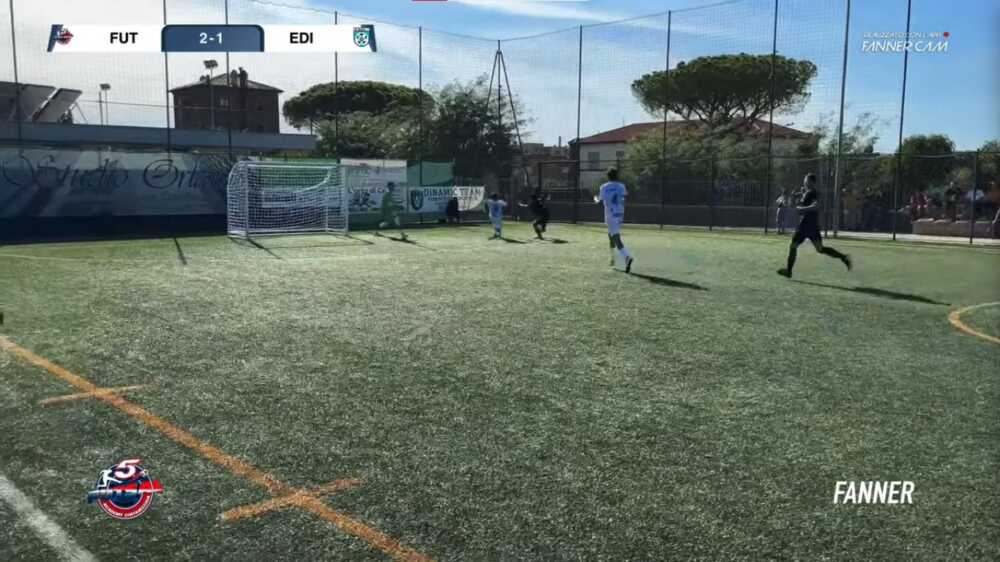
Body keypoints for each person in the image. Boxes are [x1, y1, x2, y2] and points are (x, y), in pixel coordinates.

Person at [778, 173, 852, 279]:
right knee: (820, 249)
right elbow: (797, 202)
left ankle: (789, 271)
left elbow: (817, 206)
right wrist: (795, 196)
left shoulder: (814, 193)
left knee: (793, 246)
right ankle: (844, 257)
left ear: (811, 182)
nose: (804, 182)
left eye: (806, 180)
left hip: (806, 225)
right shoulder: (806, 192)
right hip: (811, 225)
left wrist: (801, 209)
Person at [594, 168, 634, 273]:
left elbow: (599, 199)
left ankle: (626, 256)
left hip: (610, 214)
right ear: (617, 176)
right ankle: (612, 258)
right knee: (611, 235)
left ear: (608, 176)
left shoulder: (604, 187)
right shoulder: (621, 186)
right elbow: (624, 198)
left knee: (616, 237)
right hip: (620, 214)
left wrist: (595, 198)